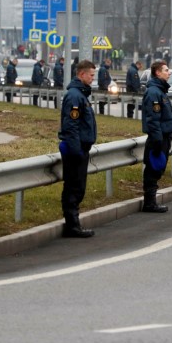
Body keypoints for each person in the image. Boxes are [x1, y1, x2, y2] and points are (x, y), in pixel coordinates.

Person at [58, 60, 97, 238]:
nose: (93, 78)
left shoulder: (81, 95)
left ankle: (73, 223)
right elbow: (71, 125)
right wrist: (76, 151)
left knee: (78, 186)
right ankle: (72, 225)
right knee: (74, 187)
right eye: (91, 75)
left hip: (80, 147)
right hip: (76, 149)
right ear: (81, 74)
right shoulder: (75, 96)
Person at [140, 60, 172, 212]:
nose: (170, 72)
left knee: (157, 170)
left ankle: (151, 201)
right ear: (157, 73)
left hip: (163, 137)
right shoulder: (154, 92)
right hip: (158, 139)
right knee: (153, 170)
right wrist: (157, 140)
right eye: (166, 70)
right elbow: (153, 119)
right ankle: (149, 203)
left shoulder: (160, 91)